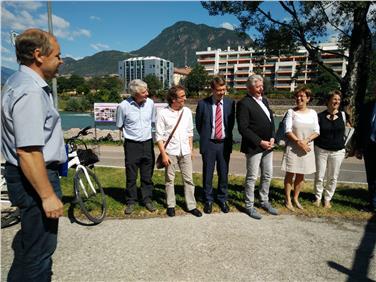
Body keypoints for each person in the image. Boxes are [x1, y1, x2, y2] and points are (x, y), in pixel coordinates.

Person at [1, 28, 66, 281]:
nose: (61, 61)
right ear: (39, 55)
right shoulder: (30, 91)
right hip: (36, 178)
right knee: (40, 253)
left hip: (26, 176)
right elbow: (27, 150)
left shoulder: (17, 82)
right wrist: (47, 195)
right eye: (58, 56)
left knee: (30, 250)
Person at [155, 85, 202, 217]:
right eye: (182, 96)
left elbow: (189, 131)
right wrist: (163, 155)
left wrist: (191, 149)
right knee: (170, 179)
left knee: (189, 180)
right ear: (173, 99)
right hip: (170, 151)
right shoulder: (163, 113)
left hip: (185, 151)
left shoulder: (186, 111)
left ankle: (191, 206)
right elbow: (158, 137)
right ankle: (171, 205)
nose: (185, 98)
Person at [237, 74, 278, 220]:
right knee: (252, 177)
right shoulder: (244, 103)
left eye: (262, 85)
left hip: (268, 145)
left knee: (267, 175)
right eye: (258, 86)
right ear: (249, 87)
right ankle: (249, 205)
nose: (261, 88)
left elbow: (271, 121)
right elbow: (243, 128)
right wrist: (260, 141)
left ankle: (264, 201)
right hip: (254, 146)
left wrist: (272, 136)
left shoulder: (264, 101)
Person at [195, 76, 235, 214]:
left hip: (224, 144)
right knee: (208, 173)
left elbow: (230, 124)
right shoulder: (203, 104)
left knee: (223, 173)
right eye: (219, 90)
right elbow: (199, 125)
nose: (222, 92)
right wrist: (208, 137)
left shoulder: (230, 103)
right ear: (212, 90)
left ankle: (223, 199)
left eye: (223, 89)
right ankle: (208, 199)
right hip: (209, 144)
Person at [116, 79, 156, 214]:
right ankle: (131, 201)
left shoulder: (150, 103)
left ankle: (147, 199)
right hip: (131, 145)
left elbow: (153, 121)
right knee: (131, 175)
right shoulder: (123, 106)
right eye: (144, 92)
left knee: (147, 175)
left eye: (146, 91)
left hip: (147, 143)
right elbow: (120, 125)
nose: (147, 94)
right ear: (135, 93)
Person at [281, 87, 320, 211]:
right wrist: (299, 142)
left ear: (308, 98)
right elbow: (287, 130)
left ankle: (296, 198)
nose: (299, 98)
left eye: (302, 96)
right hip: (293, 148)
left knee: (301, 175)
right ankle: (287, 199)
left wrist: (306, 141)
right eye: (297, 96)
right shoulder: (291, 112)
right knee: (290, 174)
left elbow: (317, 131)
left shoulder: (313, 113)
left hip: (306, 148)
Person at [313, 90, 347, 208]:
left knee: (333, 177)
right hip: (321, 150)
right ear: (328, 101)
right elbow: (315, 132)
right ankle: (318, 197)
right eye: (334, 99)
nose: (336, 101)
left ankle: (327, 199)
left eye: (338, 99)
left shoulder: (343, 115)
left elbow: (348, 130)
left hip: (337, 151)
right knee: (320, 176)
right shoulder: (319, 116)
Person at [354, 90, 376, 212]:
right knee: (371, 177)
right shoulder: (368, 106)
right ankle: (373, 204)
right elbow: (361, 128)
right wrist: (359, 147)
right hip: (369, 147)